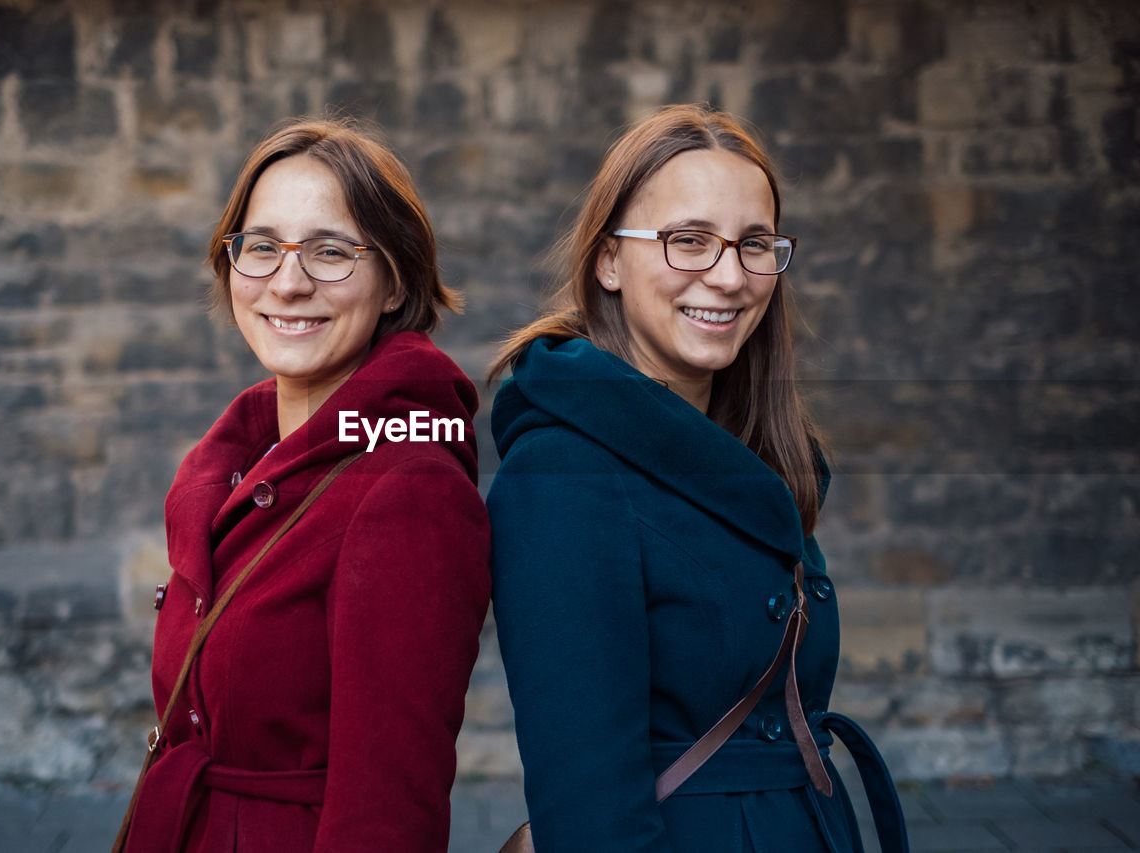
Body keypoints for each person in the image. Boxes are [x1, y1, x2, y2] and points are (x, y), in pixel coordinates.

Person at [486, 105, 906, 852]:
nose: (729, 275)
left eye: (753, 245)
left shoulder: (758, 448)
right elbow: (591, 811)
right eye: (688, 241)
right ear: (609, 260)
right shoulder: (563, 472)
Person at [119, 118, 491, 852]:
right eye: (261, 247)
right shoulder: (242, 462)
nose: (288, 283)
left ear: (394, 282)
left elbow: (389, 816)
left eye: (330, 252)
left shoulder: (409, 487)